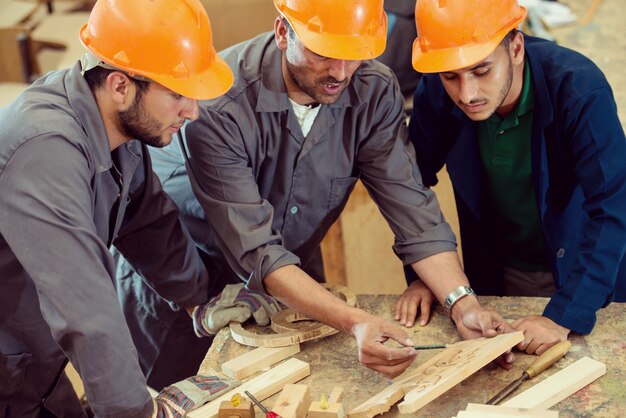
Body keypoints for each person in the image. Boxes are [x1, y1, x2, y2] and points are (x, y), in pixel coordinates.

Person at [117, 0, 517, 389]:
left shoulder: (372, 90)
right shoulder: (219, 104)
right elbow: (257, 250)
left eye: (354, 53)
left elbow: (413, 211)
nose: (340, 72)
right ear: (281, 32)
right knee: (180, 397)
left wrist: (463, 304)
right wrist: (356, 321)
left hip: (289, 273)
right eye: (323, 53)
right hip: (184, 281)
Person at [0, 0, 233, 416]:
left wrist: (200, 300)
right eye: (178, 94)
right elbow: (85, 304)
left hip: (34, 358)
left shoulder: (113, 127)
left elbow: (148, 222)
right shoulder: (45, 150)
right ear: (121, 86)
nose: (192, 112)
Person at [405, 0, 626, 356]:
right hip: (498, 273)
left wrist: (563, 316)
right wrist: (428, 275)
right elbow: (409, 188)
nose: (467, 93)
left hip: (586, 274)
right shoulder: (437, 91)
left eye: (481, 71)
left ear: (516, 47)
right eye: (451, 76)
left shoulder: (579, 87)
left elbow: (614, 205)